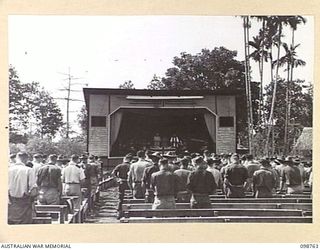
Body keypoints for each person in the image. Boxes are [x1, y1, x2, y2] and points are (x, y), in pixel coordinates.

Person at [8, 152, 36, 224]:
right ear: (26, 159)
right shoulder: (29, 170)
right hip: (24, 202)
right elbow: (33, 189)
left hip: (10, 201)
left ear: (16, 158)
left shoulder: (8, 170)